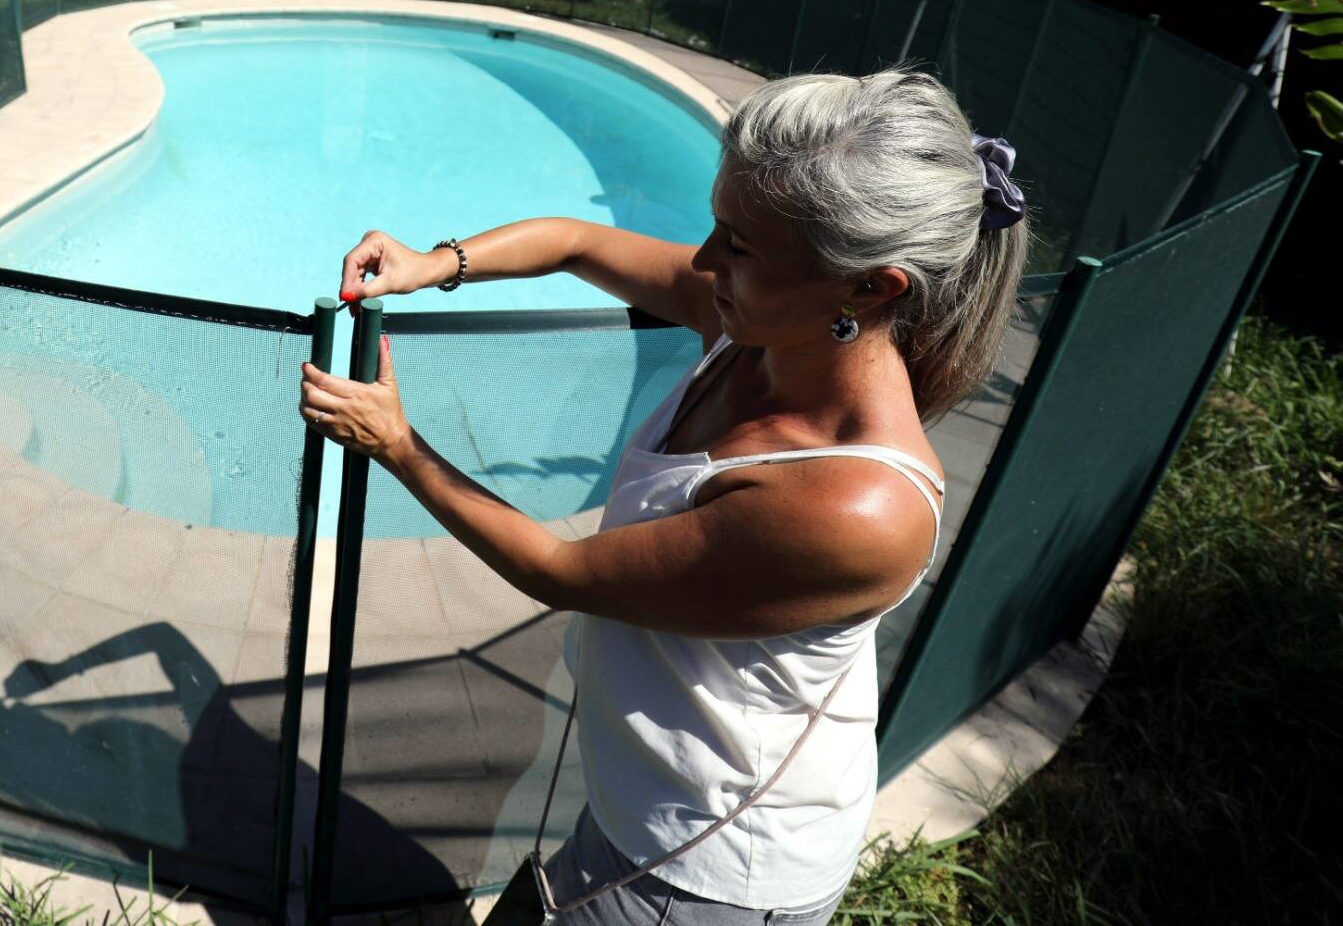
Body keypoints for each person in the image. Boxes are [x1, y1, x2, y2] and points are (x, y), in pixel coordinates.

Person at [298, 69, 1028, 924]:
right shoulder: (755, 329)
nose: (706, 259)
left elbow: (560, 570)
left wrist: (399, 446)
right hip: (649, 807)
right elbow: (577, 243)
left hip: (704, 869)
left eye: (740, 246)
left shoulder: (857, 507)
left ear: (870, 288)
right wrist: (436, 263)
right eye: (718, 226)